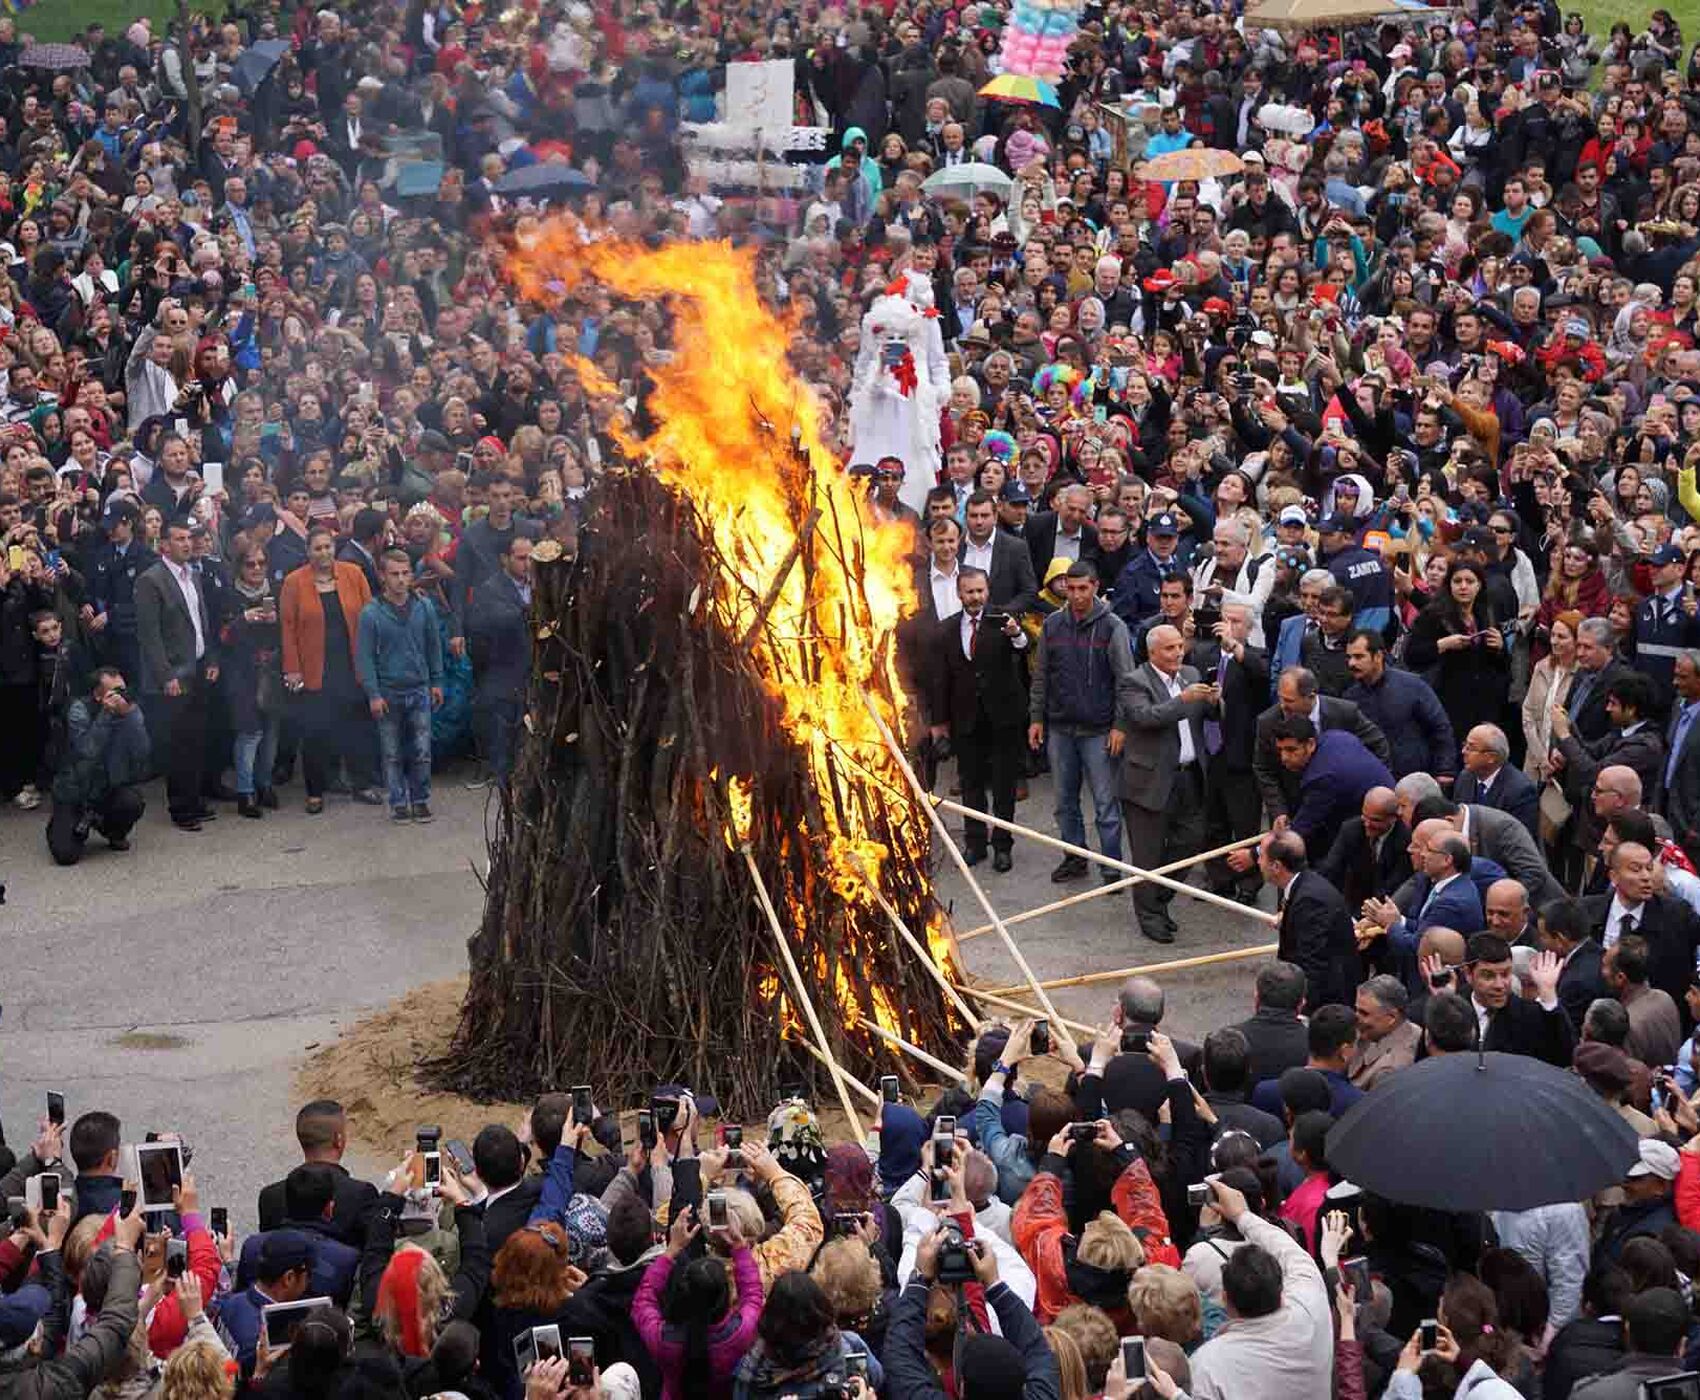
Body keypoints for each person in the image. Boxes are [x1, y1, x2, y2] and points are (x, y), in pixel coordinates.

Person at [1028, 561, 1136, 884]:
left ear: (1095, 586)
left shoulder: (1112, 626)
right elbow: (1041, 675)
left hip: (1099, 730)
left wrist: (1120, 725)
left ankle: (1111, 865)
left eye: (1082, 588)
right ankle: (1075, 857)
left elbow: (1125, 680)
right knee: (1064, 802)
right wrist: (1036, 717)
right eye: (1070, 588)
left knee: (1105, 804)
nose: (1075, 595)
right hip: (1061, 728)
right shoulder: (1053, 625)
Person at [1186, 1176, 1333, 1400]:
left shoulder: (1208, 1366)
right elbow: (1291, 1252)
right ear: (1281, 1292)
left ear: (1226, 1299)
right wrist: (1243, 1216)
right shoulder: (1309, 1307)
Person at [929, 566, 1028, 871]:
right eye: (969, 592)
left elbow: (1023, 650)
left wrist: (1017, 635)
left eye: (980, 591)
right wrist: (939, 722)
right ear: (959, 594)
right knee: (970, 783)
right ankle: (975, 844)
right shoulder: (946, 629)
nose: (975, 597)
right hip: (966, 720)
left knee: (1003, 785)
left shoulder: (1003, 621)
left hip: (1003, 717)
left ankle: (1002, 846)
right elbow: (941, 679)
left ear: (988, 591)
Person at [1120, 622, 1214, 942]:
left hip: (1189, 777)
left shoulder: (1191, 675)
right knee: (1146, 855)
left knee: (1191, 841)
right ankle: (1149, 915)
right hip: (1148, 781)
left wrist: (1215, 702)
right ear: (1152, 653)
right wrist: (1184, 700)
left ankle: (1158, 900)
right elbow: (1146, 717)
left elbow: (1205, 717)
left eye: (1179, 646)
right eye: (1169, 648)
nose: (1178, 653)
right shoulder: (1134, 681)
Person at [278, 525, 380, 814]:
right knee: (315, 732)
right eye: (317, 548)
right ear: (307, 551)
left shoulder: (353, 574)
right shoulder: (294, 582)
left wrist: (373, 659)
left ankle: (362, 784)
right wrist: (292, 669)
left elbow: (369, 616)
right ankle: (315, 791)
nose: (324, 553)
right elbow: (287, 628)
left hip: (351, 664)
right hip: (314, 668)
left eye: (328, 547)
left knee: (357, 728)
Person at [134, 520, 220, 830]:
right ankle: (181, 809)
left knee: (197, 739)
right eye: (180, 539)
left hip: (196, 667)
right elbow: (149, 635)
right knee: (179, 743)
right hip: (173, 674)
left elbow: (202, 621)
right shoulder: (151, 580)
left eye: (189, 538)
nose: (187, 544)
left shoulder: (193, 576)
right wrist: (165, 675)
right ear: (164, 545)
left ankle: (195, 800)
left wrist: (210, 656)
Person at [357, 549, 445, 823]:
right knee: (392, 752)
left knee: (421, 750)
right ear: (382, 577)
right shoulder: (371, 614)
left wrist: (437, 681)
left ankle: (420, 799)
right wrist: (373, 693)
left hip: (418, 687)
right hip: (388, 691)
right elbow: (365, 657)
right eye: (394, 574)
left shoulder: (424, 606)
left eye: (406, 573)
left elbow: (433, 646)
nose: (401, 580)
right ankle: (397, 802)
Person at [1252, 667, 1391, 825]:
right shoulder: (1267, 722)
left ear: (1310, 697)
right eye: (1280, 699)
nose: (1283, 706)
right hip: (1295, 812)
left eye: (1289, 701)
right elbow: (1263, 769)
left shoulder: (1344, 713)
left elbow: (1378, 743)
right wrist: (1278, 811)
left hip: (1344, 813)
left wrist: (1373, 792)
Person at [44, 665, 149, 865]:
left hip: (106, 789)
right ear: (98, 696)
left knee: (132, 802)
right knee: (65, 855)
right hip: (74, 791)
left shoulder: (127, 710)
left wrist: (133, 717)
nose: (121, 696)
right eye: (115, 692)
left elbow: (142, 752)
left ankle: (112, 830)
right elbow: (88, 751)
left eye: (123, 689)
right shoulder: (78, 711)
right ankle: (64, 824)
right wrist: (106, 715)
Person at [1269, 714, 1395, 861]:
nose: (1284, 757)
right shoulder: (1335, 736)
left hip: (1381, 824)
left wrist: (1255, 854)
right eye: (1281, 750)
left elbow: (1300, 831)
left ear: (1310, 744)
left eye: (1291, 750)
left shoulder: (1321, 777)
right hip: (1383, 804)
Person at [1342, 629, 1456, 782]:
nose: (1351, 663)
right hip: (1374, 782)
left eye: (1359, 657)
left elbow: (1440, 728)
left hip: (1416, 780)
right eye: (1349, 657)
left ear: (1378, 656)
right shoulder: (1350, 697)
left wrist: (1445, 770)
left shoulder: (1412, 686)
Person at [1261, 830, 1357, 1010]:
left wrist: (1296, 1010)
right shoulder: (1304, 887)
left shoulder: (1309, 901)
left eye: (1260, 855)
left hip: (1326, 1005)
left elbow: (1313, 966)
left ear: (1276, 866)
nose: (1258, 861)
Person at [465, 533, 533, 783]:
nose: (527, 564)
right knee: (502, 731)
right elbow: (491, 624)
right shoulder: (491, 590)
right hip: (502, 671)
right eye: (521, 558)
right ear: (505, 559)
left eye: (531, 558)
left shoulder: (540, 585)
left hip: (532, 671)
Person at [1458, 933, 1575, 1065]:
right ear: (1468, 973)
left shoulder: (1529, 1015)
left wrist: (1549, 996)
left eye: (1505, 974)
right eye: (1488, 976)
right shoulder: (1454, 1011)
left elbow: (1564, 1056)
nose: (1499, 985)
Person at [1602, 935, 1682, 1069]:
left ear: (1620, 978)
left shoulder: (1626, 1025)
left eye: (1604, 966)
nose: (1600, 971)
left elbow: (1622, 1078)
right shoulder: (1665, 998)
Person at [1455, 724, 1540, 838]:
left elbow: (1519, 839)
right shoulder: (1465, 778)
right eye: (1465, 745)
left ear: (1491, 757)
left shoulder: (1521, 790)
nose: (1463, 751)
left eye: (1471, 748)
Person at [1347, 975, 1423, 1089]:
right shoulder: (1376, 1030)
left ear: (1391, 1017)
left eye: (1364, 1013)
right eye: (1356, 1010)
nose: (1356, 1018)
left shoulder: (1389, 1071)